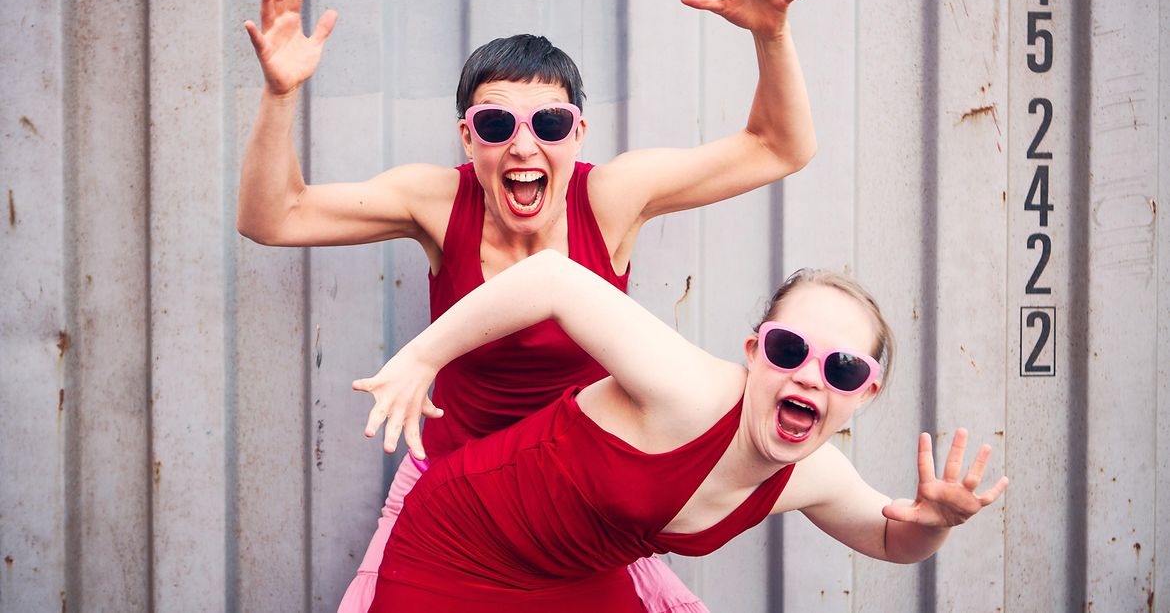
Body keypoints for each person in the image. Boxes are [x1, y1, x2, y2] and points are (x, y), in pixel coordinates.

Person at [240, 0, 817, 610]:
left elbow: (780, 147)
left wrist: (771, 36)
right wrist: (280, 95)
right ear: (467, 137)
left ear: (577, 132)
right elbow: (273, 217)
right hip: (454, 494)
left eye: (548, 124)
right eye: (495, 125)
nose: (522, 147)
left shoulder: (610, 198)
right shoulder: (435, 203)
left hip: (576, 493)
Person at [352, 250, 1009, 612]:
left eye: (840, 367)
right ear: (754, 353)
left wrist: (936, 523)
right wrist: (422, 357)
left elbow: (895, 540)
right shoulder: (685, 388)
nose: (809, 376)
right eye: (788, 350)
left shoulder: (814, 476)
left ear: (865, 392)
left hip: (580, 580)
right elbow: (552, 279)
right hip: (460, 549)